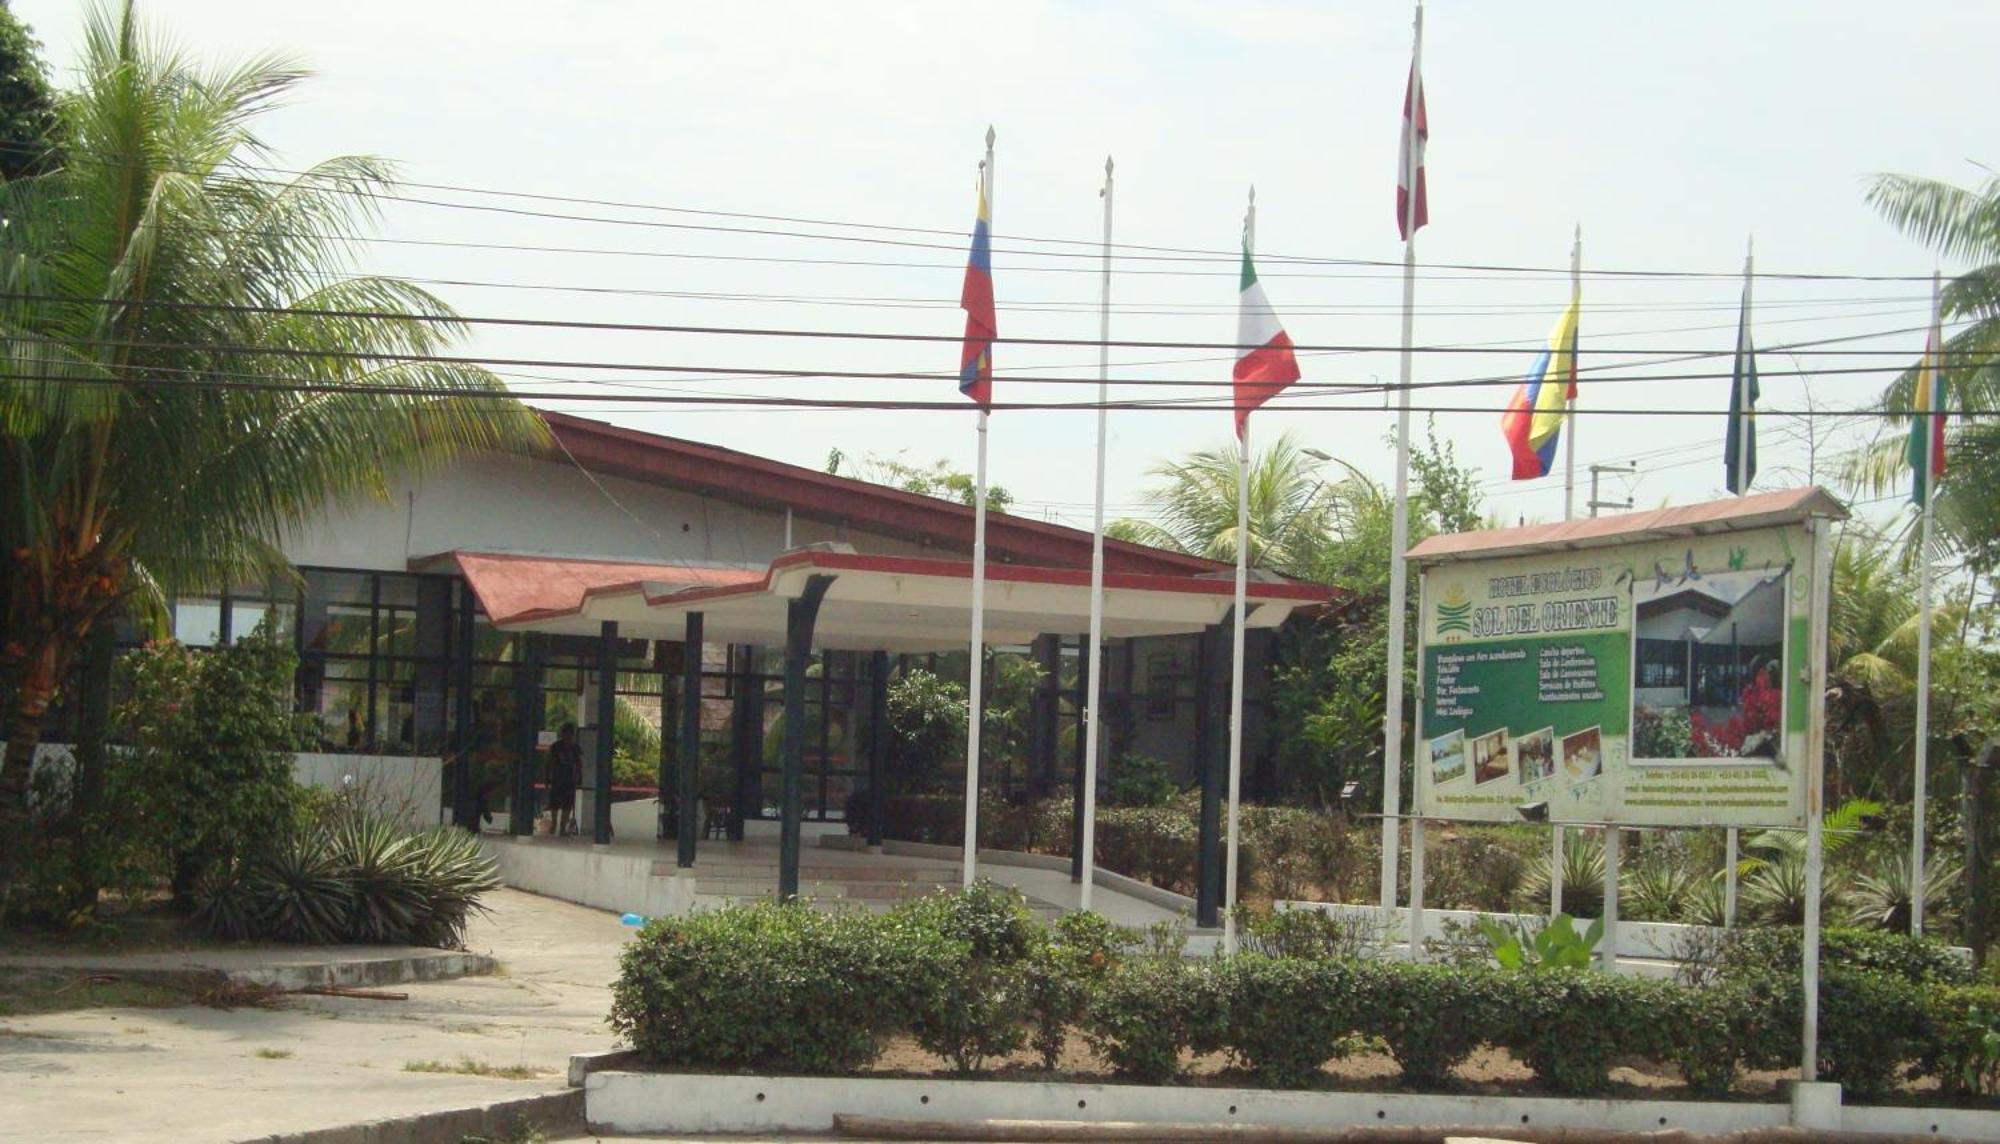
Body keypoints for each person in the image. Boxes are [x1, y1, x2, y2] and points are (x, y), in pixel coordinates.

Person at [547, 723, 581, 837]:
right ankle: (554, 823)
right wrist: (548, 778)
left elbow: (578, 764)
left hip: (569, 780)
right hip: (557, 779)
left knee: (567, 805)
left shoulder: (575, 748)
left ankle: (562, 827)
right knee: (554, 804)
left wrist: (577, 777)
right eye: (565, 733)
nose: (567, 736)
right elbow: (550, 763)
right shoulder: (556, 747)